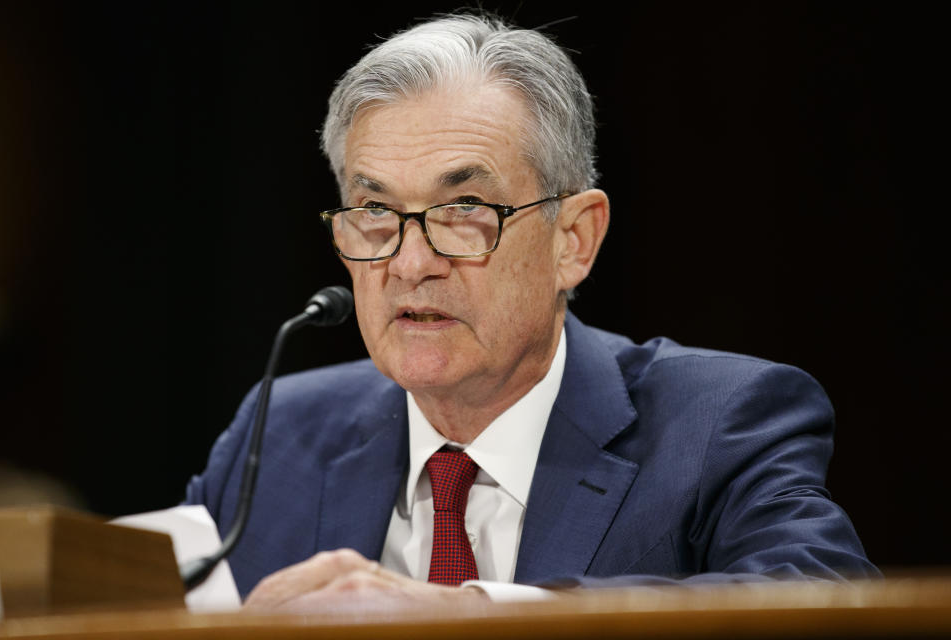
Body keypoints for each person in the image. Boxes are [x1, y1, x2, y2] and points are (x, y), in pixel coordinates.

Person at [185, 14, 878, 611]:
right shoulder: (282, 433)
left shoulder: (718, 424)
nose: (408, 262)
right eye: (374, 211)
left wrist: (473, 616)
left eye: (464, 209)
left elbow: (822, 601)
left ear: (573, 241)